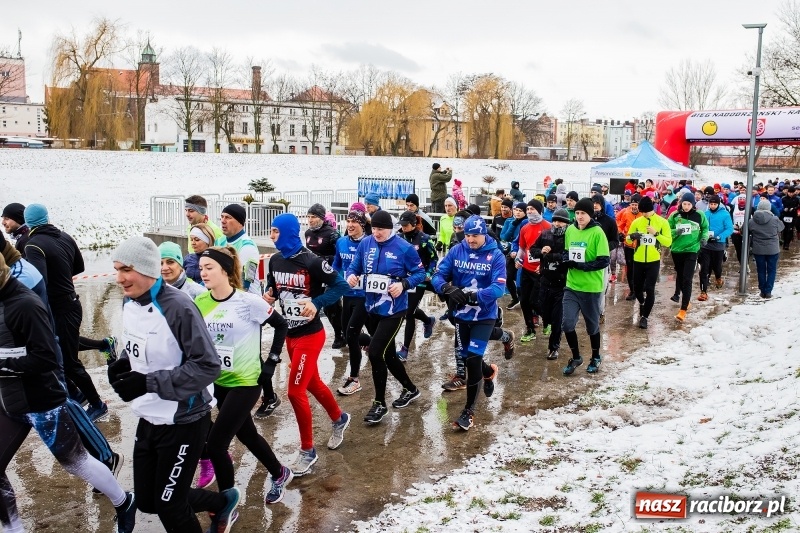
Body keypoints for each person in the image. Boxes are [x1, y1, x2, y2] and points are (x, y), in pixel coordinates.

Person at [0, 253, 136, 533]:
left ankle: (124, 501)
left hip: (42, 402)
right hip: (9, 402)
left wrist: (4, 365)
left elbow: (48, 357)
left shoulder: (25, 304)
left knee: (77, 463)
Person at [108, 236, 226, 532]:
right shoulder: (129, 301)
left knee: (171, 508)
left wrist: (148, 381)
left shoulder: (178, 307)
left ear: (147, 269)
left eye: (126, 270)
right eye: (116, 269)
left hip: (184, 419)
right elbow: (139, 344)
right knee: (148, 501)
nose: (119, 278)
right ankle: (221, 503)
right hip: (148, 416)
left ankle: (218, 506)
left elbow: (208, 365)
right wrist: (123, 364)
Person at [192, 246, 297, 505]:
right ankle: (280, 472)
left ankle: (227, 503)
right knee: (246, 434)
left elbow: (281, 324)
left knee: (216, 444)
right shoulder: (200, 303)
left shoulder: (247, 301)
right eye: (201, 268)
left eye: (209, 268)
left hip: (247, 381)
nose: (203, 272)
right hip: (219, 381)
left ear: (226, 271)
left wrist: (271, 362)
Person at [264, 213, 350, 475]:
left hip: (311, 334)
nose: (271, 236)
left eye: (275, 232)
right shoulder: (275, 260)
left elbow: (341, 285)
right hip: (290, 334)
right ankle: (339, 418)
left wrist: (317, 303)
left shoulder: (311, 261)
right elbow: (274, 287)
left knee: (294, 391)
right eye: (271, 231)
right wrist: (269, 295)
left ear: (289, 232)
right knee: (311, 383)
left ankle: (307, 451)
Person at [23, 204, 108, 422]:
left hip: (58, 308)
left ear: (27, 222)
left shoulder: (33, 245)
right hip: (71, 304)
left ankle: (98, 404)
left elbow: (38, 281)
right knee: (62, 349)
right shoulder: (64, 236)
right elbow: (79, 267)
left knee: (68, 362)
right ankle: (78, 394)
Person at [345, 210, 426, 425]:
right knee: (388, 355)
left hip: (394, 310)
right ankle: (410, 389)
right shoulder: (366, 244)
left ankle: (379, 403)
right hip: (371, 307)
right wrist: (351, 275)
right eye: (374, 229)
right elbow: (355, 266)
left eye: (381, 229)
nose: (377, 233)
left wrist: (404, 284)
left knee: (376, 352)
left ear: (391, 229)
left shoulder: (404, 248)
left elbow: (420, 273)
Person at [432, 215, 505, 430]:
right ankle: (488, 371)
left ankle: (469, 411)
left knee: (472, 360)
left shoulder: (496, 255)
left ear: (484, 234)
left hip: (484, 315)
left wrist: (472, 296)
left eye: (475, 236)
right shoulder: (457, 250)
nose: (471, 240)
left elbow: (498, 288)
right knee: (470, 358)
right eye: (468, 235)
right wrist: (448, 289)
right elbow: (438, 276)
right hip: (461, 316)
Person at [560, 199, 610, 376]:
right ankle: (576, 357)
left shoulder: (597, 233)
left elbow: (604, 260)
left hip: (591, 287)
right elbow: (567, 251)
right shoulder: (570, 230)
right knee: (566, 324)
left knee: (592, 327)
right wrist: (566, 261)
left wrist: (582, 266)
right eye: (578, 213)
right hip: (572, 285)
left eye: (583, 214)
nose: (579, 217)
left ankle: (595, 356)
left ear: (590, 215)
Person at [332, 210, 371, 396]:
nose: (350, 225)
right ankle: (375, 343)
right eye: (348, 221)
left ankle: (354, 379)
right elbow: (337, 266)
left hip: (364, 296)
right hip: (347, 294)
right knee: (348, 336)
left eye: (354, 222)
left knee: (352, 334)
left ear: (362, 225)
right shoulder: (341, 242)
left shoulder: (370, 243)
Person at [626, 196, 673, 329]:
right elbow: (628, 240)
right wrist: (632, 237)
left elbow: (668, 242)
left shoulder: (662, 222)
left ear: (651, 210)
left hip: (653, 260)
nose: (643, 215)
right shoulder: (637, 222)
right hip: (638, 260)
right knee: (638, 289)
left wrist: (656, 233)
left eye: (645, 212)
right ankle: (642, 303)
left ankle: (644, 317)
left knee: (650, 289)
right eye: (641, 212)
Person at [397, 211, 437, 361]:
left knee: (409, 313)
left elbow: (434, 258)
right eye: (401, 225)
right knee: (409, 309)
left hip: (419, 279)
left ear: (414, 224)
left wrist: (429, 273)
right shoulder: (399, 238)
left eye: (406, 225)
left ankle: (405, 349)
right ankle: (428, 320)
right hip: (402, 279)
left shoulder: (425, 239)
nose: (403, 228)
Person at [530, 208, 570, 360]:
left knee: (557, 318)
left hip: (562, 283)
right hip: (545, 281)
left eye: (560, 221)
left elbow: (570, 255)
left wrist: (551, 255)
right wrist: (540, 251)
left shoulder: (569, 236)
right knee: (540, 308)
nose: (557, 224)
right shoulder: (546, 233)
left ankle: (554, 347)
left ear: (566, 224)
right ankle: (547, 321)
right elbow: (532, 250)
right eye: (555, 220)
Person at [305, 203, 345, 349]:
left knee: (332, 305)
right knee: (315, 304)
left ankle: (340, 334)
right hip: (315, 275)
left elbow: (341, 255)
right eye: (308, 217)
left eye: (314, 217)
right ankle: (315, 333)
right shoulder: (308, 234)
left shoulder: (332, 233)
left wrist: (326, 260)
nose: (310, 220)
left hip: (331, 273)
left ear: (322, 218)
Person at [668, 192, 708, 321]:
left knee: (687, 278)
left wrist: (704, 238)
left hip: (692, 249)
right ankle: (686, 300)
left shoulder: (699, 215)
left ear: (693, 204)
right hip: (677, 250)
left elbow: (705, 228)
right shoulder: (674, 215)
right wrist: (677, 231)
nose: (686, 206)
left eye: (689, 204)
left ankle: (683, 309)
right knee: (680, 275)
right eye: (684, 204)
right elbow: (667, 231)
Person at [515, 199, 551, 342]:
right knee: (524, 300)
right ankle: (530, 329)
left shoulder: (547, 227)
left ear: (539, 210)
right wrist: (518, 259)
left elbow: (551, 249)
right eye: (528, 209)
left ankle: (548, 321)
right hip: (526, 269)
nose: (529, 211)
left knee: (535, 301)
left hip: (540, 271)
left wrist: (542, 266)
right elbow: (523, 248)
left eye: (532, 209)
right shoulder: (524, 227)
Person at [220, 203, 262, 295]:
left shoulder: (248, 246)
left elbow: (245, 282)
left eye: (228, 217)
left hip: (248, 299)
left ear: (240, 223)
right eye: (222, 217)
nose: (223, 221)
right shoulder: (219, 241)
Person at [698, 195, 733, 300]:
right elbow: (701, 227)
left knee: (717, 267)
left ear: (719, 204)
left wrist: (719, 237)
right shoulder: (705, 214)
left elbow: (729, 229)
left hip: (718, 245)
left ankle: (718, 278)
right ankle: (703, 292)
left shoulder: (725, 214)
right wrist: (702, 236)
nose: (712, 206)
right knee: (704, 268)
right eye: (711, 204)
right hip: (706, 245)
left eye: (715, 204)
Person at [750, 199, 784, 298]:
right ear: (769, 208)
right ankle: (768, 291)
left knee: (761, 270)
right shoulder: (775, 219)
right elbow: (781, 228)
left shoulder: (752, 220)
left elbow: (745, 230)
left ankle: (762, 290)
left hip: (758, 249)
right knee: (771, 270)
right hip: (773, 249)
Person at [500, 202, 528, 309]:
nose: (517, 212)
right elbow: (504, 237)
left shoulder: (527, 223)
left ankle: (523, 299)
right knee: (508, 277)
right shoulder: (509, 221)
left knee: (520, 279)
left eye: (520, 211)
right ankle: (515, 298)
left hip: (523, 254)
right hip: (511, 253)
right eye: (516, 210)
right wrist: (513, 224)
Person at [616, 194, 643, 300]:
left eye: (636, 205)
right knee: (630, 268)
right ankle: (632, 291)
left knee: (640, 268)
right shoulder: (625, 212)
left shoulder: (643, 214)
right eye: (632, 204)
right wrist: (620, 233)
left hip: (641, 245)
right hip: (628, 245)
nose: (634, 207)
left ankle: (640, 288)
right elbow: (619, 224)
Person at [780, 186, 798, 250]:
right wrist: (784, 209)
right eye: (790, 192)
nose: (791, 194)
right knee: (785, 230)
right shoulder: (783, 199)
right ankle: (784, 242)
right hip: (785, 216)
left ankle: (787, 243)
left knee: (790, 230)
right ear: (788, 192)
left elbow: (798, 206)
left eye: (792, 193)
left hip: (793, 216)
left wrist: (794, 208)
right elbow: (781, 206)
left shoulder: (796, 199)